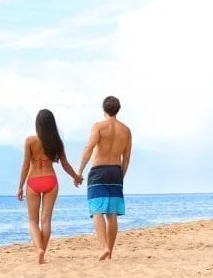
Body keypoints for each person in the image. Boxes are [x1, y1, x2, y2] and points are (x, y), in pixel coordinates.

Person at [16, 109, 81, 264]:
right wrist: (76, 177)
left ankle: (39, 249)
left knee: (33, 221)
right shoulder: (56, 142)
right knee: (46, 220)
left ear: (37, 124)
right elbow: (65, 164)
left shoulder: (30, 141)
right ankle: (42, 254)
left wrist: (19, 186)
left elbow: (25, 165)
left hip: (33, 181)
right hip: (50, 180)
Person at [76, 95, 132, 261]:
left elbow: (88, 148)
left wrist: (79, 172)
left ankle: (104, 247)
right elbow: (126, 158)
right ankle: (110, 252)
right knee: (112, 213)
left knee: (97, 210)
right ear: (118, 109)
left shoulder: (99, 127)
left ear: (103, 109)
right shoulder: (126, 130)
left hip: (99, 170)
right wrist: (121, 175)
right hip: (116, 170)